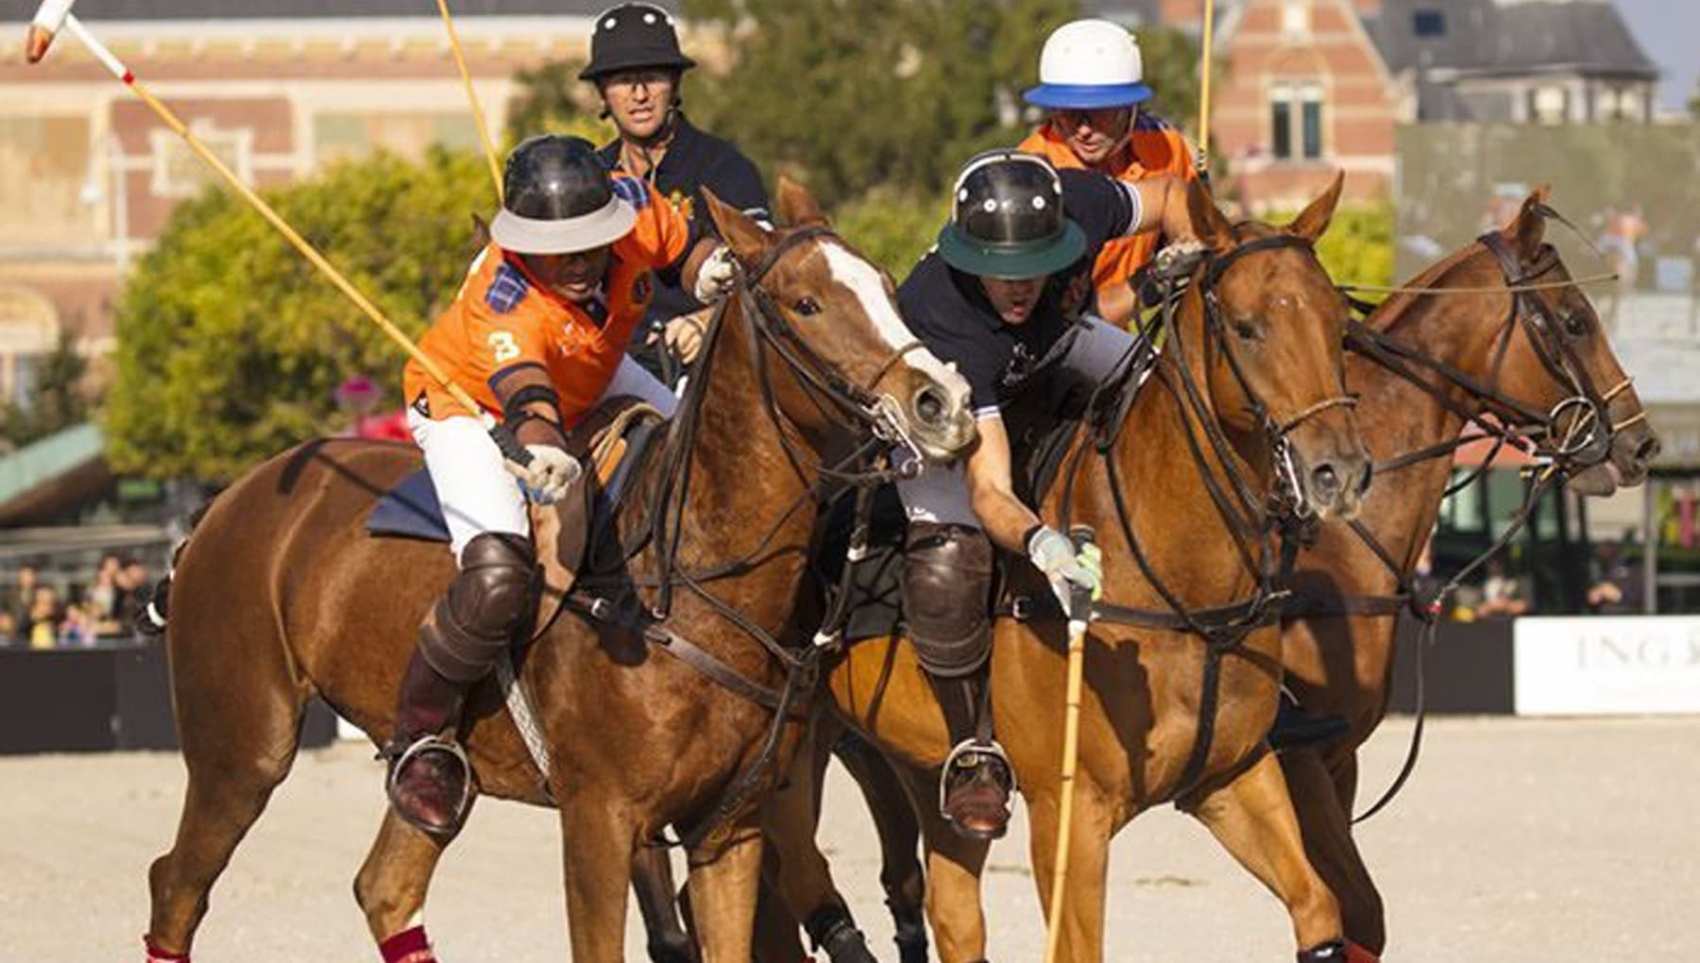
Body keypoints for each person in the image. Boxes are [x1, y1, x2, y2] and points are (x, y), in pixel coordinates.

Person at [384, 133, 736, 837]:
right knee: (496, 573)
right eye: (558, 250)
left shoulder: (633, 201)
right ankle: (420, 741)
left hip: (596, 369)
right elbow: (528, 398)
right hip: (469, 402)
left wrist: (714, 270)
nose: (576, 263)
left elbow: (685, 247)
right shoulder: (505, 296)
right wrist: (544, 452)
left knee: (712, 468)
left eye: (588, 243)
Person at [894, 149, 1196, 839]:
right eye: (1002, 274)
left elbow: (1173, 191)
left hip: (1058, 345)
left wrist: (1185, 255)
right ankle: (974, 750)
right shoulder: (943, 314)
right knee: (951, 545)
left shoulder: (1079, 203)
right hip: (955, 409)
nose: (1020, 285)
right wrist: (1043, 543)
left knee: (1178, 405)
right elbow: (992, 486)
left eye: (1035, 265)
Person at [582, 2, 771, 384]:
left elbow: (764, 272)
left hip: (706, 365)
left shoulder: (724, 168)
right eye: (621, 80)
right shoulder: (589, 176)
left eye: (652, 77)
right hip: (607, 364)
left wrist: (708, 322)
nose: (639, 94)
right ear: (603, 94)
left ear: (675, 85)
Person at [1017, 18, 1197, 326]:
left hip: (1126, 338)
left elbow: (1194, 240)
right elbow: (1066, 319)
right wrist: (1153, 282)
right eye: (1069, 114)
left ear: (1131, 109)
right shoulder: (1030, 175)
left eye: (1098, 113)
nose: (1084, 129)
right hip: (1052, 339)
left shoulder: (1166, 146)